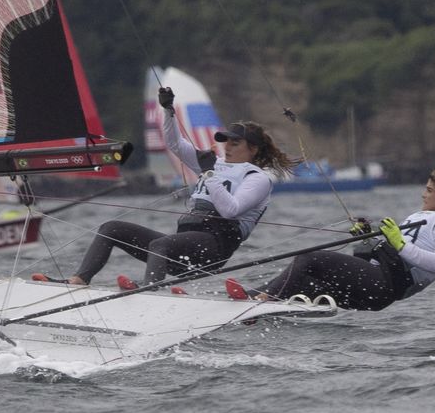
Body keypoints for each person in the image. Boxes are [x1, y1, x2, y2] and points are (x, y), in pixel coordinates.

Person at [34, 86, 298, 289]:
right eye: (225, 141)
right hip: (183, 246)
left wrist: (207, 172)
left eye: (235, 143)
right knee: (111, 228)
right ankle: (79, 280)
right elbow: (174, 144)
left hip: (214, 247)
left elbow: (231, 210)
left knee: (160, 244)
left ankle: (150, 292)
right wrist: (168, 111)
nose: (226, 146)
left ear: (253, 149)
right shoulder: (213, 164)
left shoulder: (259, 178)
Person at [226, 168, 435, 310]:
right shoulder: (417, 217)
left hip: (385, 286)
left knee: (309, 258)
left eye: (429, 190)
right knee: (302, 281)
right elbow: (376, 256)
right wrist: (364, 239)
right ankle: (241, 303)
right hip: (374, 278)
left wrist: (399, 243)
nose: (423, 194)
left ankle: (257, 301)